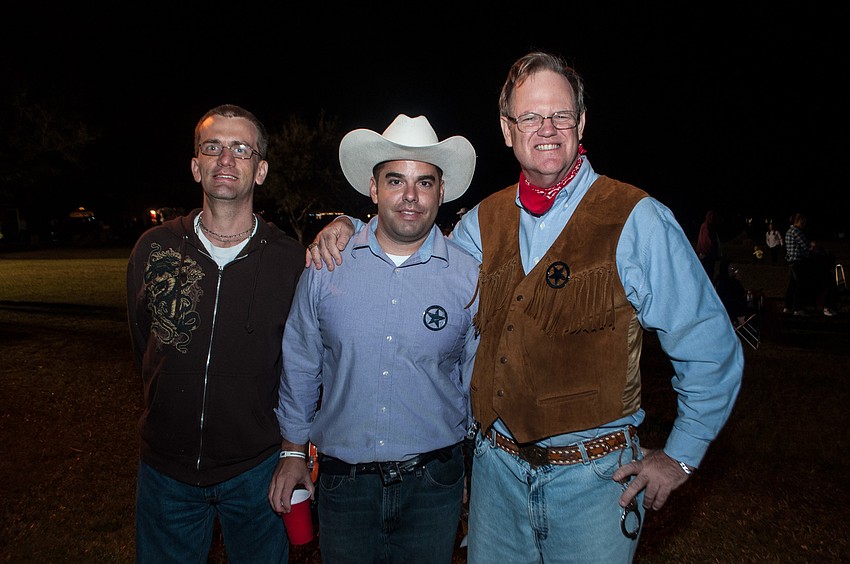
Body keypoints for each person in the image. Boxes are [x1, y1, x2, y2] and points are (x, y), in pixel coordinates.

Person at [305, 52, 744, 563]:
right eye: (531, 117)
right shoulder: (480, 223)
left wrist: (681, 458)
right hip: (497, 479)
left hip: (597, 484)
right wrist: (348, 226)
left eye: (560, 115)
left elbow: (711, 349)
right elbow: (413, 252)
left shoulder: (636, 219)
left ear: (581, 123)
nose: (547, 129)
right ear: (508, 129)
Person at [268, 114, 481, 563]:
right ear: (373, 189)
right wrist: (292, 451)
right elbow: (301, 362)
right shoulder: (327, 266)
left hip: (436, 483)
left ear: (441, 193)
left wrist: (473, 470)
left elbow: (473, 379)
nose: (410, 196)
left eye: (425, 183)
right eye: (395, 180)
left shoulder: (467, 278)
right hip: (345, 486)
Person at [126, 104, 305, 562]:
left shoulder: (289, 260)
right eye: (213, 147)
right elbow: (145, 343)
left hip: (258, 470)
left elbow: (301, 364)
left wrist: (292, 451)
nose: (226, 159)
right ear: (196, 165)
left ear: (260, 170)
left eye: (241, 149)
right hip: (166, 470)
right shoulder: (154, 248)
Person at [783, 212, 811, 316]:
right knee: (800, 285)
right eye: (803, 222)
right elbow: (806, 245)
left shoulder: (789, 231)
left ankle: (788, 306)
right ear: (798, 221)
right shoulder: (797, 231)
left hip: (791, 261)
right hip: (798, 261)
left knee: (792, 284)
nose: (804, 224)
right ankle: (798, 308)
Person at [714, 258, 750, 325]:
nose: (733, 270)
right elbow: (735, 295)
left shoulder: (725, 279)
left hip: (730, 307)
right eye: (731, 267)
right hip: (731, 309)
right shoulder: (725, 282)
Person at [696, 209, 722, 279]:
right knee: (707, 272)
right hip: (706, 254)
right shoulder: (706, 226)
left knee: (709, 271)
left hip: (708, 254)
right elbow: (707, 241)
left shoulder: (710, 226)